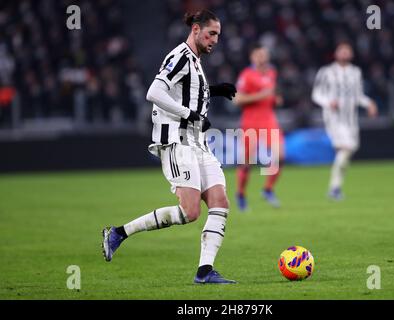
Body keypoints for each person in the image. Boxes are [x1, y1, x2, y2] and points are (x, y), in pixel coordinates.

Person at [102, 9, 237, 284]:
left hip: (198, 142)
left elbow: (187, 92)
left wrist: (214, 90)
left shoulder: (196, 61)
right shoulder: (180, 56)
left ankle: (205, 271)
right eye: (211, 34)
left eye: (218, 35)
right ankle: (118, 233)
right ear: (196, 29)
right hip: (176, 141)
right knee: (190, 212)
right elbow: (154, 92)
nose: (215, 40)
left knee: (220, 202)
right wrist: (189, 115)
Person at [312, 42, 378, 200]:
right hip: (333, 117)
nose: (344, 53)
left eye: (347, 51)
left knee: (348, 150)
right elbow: (316, 94)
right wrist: (329, 102)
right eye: (341, 51)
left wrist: (369, 103)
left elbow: (358, 95)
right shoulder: (326, 72)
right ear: (336, 53)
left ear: (351, 54)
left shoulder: (356, 72)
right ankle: (334, 188)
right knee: (346, 148)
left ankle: (336, 188)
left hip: (351, 119)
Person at [234, 44, 285, 211]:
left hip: (269, 120)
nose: (262, 58)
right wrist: (260, 95)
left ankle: (268, 189)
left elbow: (271, 93)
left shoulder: (272, 73)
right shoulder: (246, 75)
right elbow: (237, 100)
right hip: (250, 122)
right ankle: (241, 194)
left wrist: (275, 98)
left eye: (264, 55)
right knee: (247, 163)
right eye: (258, 56)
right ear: (252, 58)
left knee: (280, 156)